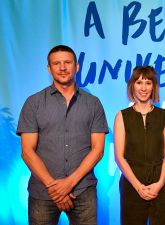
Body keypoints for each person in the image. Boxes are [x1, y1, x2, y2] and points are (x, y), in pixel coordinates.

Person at [16, 45, 109, 225]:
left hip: (83, 190)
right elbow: (27, 151)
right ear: (49, 69)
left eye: (67, 62)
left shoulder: (93, 103)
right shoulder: (33, 103)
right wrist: (54, 187)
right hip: (42, 192)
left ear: (77, 66)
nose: (63, 67)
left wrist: (68, 183)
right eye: (56, 64)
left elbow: (98, 150)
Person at [114, 66, 165, 225]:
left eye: (148, 83)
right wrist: (138, 186)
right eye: (139, 82)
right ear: (132, 85)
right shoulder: (122, 116)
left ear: (154, 86)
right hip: (132, 183)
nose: (143, 87)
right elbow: (119, 157)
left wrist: (160, 183)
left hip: (160, 183)